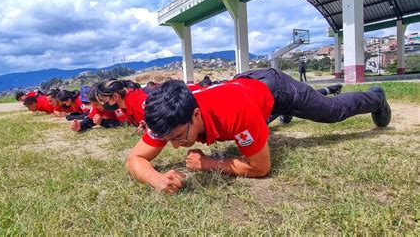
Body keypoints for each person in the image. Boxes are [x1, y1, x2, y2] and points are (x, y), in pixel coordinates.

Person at [126, 68, 391, 194]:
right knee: (258, 124)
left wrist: (209, 163)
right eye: (167, 139)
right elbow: (135, 158)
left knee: (330, 112)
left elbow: (260, 167)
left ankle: (376, 98)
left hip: (276, 90)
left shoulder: (234, 113)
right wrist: (157, 179)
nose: (173, 146)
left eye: (177, 138)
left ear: (195, 115)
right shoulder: (171, 114)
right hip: (246, 85)